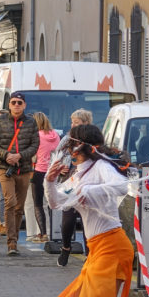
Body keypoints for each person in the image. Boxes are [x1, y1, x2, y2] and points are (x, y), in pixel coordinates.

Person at [21, 124, 134, 297]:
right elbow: (56, 202)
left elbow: (121, 186)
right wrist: (49, 182)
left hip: (113, 247)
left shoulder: (102, 167)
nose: (67, 148)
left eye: (71, 143)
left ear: (82, 145)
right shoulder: (79, 173)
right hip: (97, 250)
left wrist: (90, 190)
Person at [0, 91, 40, 255]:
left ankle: (15, 238)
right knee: (9, 202)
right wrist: (7, 155)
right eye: (13, 102)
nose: (16, 105)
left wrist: (20, 155)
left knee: (19, 207)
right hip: (5, 168)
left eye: (19, 102)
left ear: (24, 105)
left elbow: (35, 145)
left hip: (23, 169)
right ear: (9, 105)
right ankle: (11, 243)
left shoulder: (31, 122)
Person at [57, 108, 93, 265]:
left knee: (87, 221)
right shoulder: (66, 139)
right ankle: (66, 247)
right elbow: (56, 157)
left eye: (76, 122)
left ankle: (89, 254)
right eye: (72, 122)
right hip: (69, 184)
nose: (73, 125)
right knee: (68, 221)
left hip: (88, 184)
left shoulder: (93, 140)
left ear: (85, 124)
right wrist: (60, 168)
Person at [30, 112, 59, 243]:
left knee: (38, 204)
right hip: (53, 172)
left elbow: (32, 154)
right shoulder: (56, 135)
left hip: (38, 171)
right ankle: (54, 232)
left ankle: (43, 234)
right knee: (52, 203)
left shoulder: (36, 136)